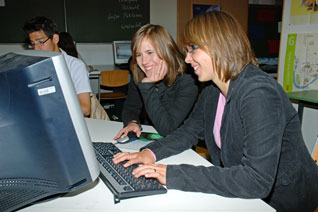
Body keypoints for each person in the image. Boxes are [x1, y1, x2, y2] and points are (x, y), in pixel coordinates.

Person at [113, 11, 318, 212]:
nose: (186, 59)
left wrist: (172, 174)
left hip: (282, 201)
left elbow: (257, 180)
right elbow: (189, 132)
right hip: (245, 193)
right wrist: (149, 153)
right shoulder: (214, 90)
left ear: (218, 46)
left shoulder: (259, 93)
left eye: (193, 49)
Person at [114, 24, 198, 139]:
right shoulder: (139, 73)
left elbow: (167, 129)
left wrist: (148, 86)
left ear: (166, 51)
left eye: (150, 52)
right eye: (139, 55)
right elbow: (131, 106)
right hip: (150, 137)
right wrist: (132, 122)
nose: (144, 61)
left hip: (180, 142)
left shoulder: (188, 79)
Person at [23, 16, 92, 116]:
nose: (36, 49)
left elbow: (85, 109)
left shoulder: (75, 66)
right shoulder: (34, 67)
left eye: (41, 42)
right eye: (33, 44)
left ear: (55, 38)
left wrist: (48, 105)